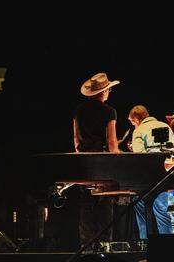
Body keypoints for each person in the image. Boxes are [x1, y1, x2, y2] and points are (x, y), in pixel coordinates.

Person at [73, 73, 120, 247]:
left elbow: (76, 140)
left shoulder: (79, 110)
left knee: (86, 207)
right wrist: (118, 157)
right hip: (103, 163)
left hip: (85, 163)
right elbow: (112, 142)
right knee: (105, 206)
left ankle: (86, 248)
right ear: (104, 92)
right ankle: (105, 247)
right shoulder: (109, 111)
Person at [128, 105, 174, 238]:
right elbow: (170, 151)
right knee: (165, 215)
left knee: (140, 208)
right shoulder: (164, 126)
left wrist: (133, 150)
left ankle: (146, 247)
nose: (133, 126)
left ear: (137, 119)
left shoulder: (139, 130)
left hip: (147, 180)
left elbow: (140, 158)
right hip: (167, 176)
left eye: (133, 123)